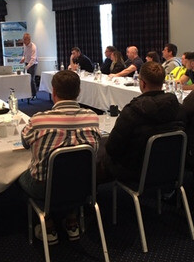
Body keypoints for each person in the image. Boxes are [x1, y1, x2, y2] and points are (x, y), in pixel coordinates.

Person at [18, 70, 101, 244]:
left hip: (44, 187)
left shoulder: (39, 120)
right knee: (72, 172)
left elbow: (25, 142)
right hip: (83, 185)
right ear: (78, 92)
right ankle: (71, 219)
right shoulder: (92, 118)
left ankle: (47, 224)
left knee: (18, 176)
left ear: (54, 92)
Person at [99, 61, 183, 183]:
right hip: (168, 168)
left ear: (142, 83)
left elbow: (112, 148)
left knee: (99, 152)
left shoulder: (132, 112)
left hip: (135, 170)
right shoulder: (179, 108)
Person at [19, 32, 38, 99]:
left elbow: (33, 59)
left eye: (24, 39)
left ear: (28, 40)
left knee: (31, 79)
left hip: (33, 64)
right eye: (23, 39)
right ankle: (27, 93)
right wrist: (23, 59)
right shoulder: (24, 45)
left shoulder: (33, 47)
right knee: (26, 79)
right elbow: (24, 55)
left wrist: (27, 67)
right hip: (27, 63)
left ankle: (34, 94)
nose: (23, 41)